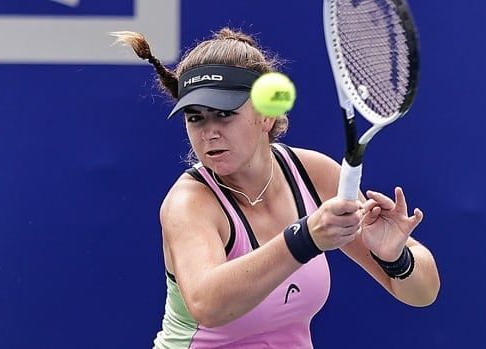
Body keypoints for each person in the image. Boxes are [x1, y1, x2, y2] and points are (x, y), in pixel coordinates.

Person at [112, 28, 440, 349]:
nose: (209, 132)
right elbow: (207, 304)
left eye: (225, 114)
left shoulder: (315, 174)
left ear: (266, 115)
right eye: (195, 118)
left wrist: (395, 258)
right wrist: (305, 237)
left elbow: (421, 294)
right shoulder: (189, 203)